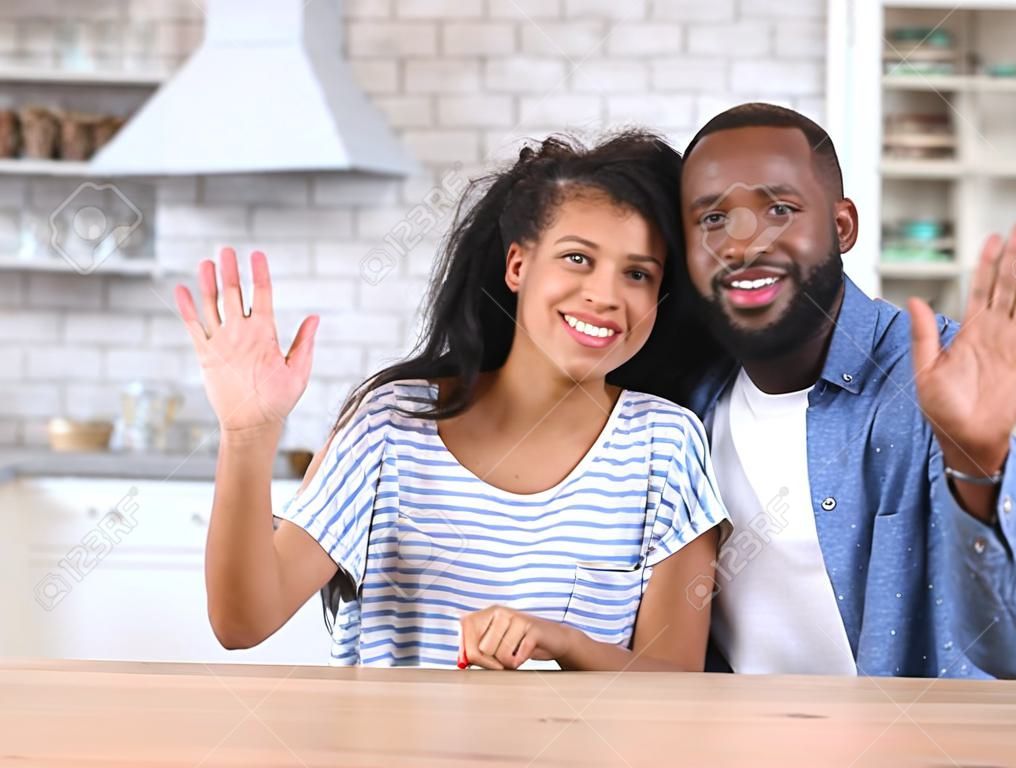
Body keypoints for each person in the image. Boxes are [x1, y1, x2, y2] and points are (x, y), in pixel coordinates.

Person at [174, 132, 729, 671]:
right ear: (518, 265)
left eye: (637, 273)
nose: (606, 295)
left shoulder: (667, 444)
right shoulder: (389, 425)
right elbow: (242, 622)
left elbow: (674, 680)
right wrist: (249, 435)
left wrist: (561, 641)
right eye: (577, 259)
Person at [678, 103, 1016, 679]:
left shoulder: (937, 376)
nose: (743, 244)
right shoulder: (685, 396)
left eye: (779, 208)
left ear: (842, 226)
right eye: (713, 220)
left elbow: (1014, 647)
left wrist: (977, 461)